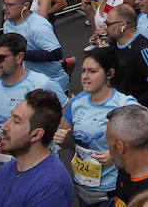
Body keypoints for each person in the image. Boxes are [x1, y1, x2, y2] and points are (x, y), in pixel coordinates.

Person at [54, 48, 139, 206]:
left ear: (109, 74)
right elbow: (70, 141)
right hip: (84, 185)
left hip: (114, 190)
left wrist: (115, 154)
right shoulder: (77, 102)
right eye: (83, 71)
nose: (85, 76)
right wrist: (66, 141)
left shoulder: (123, 103)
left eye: (92, 71)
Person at [0, 33, 68, 165]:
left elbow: (67, 113)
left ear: (19, 57)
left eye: (0, 58)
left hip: (40, 167)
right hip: (7, 168)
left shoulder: (42, 84)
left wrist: (56, 136)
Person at [0, 89, 73, 206]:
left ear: (36, 134)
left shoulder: (51, 187)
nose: (4, 127)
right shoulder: (2, 172)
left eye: (16, 121)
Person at [1, 0, 69, 94]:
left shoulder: (38, 25)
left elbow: (56, 53)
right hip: (28, 84)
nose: (4, 8)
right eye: (4, 4)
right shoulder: (7, 25)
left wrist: (21, 55)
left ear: (25, 6)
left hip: (51, 83)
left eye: (9, 5)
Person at [105, 4, 148, 113]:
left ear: (123, 26)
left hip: (140, 115)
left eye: (108, 24)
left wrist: (130, 105)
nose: (105, 28)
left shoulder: (144, 50)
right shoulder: (114, 44)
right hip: (119, 111)